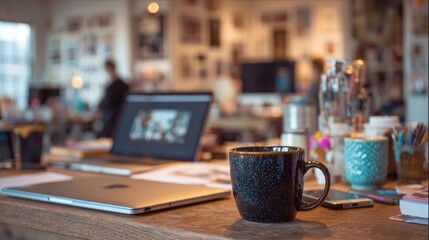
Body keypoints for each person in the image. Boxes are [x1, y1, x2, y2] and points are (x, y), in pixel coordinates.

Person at [97, 59, 129, 138]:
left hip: (113, 118)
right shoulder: (116, 84)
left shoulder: (117, 85)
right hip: (113, 117)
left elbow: (108, 101)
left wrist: (100, 109)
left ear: (109, 68)